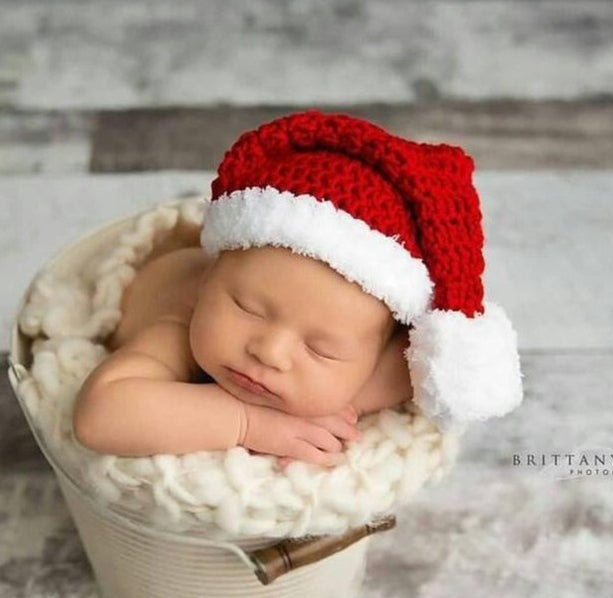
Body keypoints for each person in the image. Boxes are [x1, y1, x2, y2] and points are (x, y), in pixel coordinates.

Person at [72, 109, 524, 467]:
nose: (270, 351)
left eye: (321, 349)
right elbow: (101, 415)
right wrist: (248, 421)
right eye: (246, 307)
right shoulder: (179, 330)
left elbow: (416, 370)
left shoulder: (389, 356)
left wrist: (336, 399)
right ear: (210, 278)